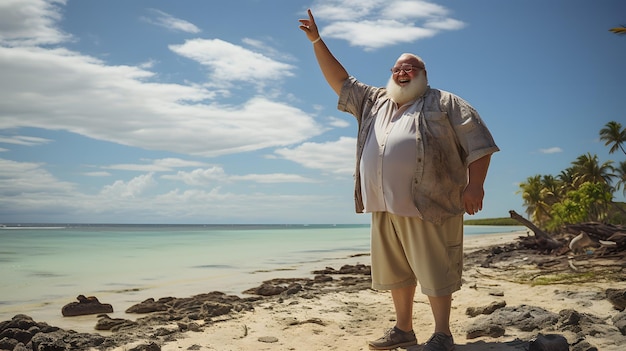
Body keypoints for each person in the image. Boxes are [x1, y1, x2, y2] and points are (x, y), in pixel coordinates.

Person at [299, 9, 500, 351]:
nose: (402, 72)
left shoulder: (445, 102)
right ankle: (404, 330)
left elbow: (479, 143)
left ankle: (442, 334)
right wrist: (317, 41)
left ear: (423, 74)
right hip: (383, 204)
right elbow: (341, 81)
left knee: (436, 271)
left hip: (430, 204)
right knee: (397, 272)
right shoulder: (375, 101)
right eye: (397, 68)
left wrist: (475, 185)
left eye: (410, 68)